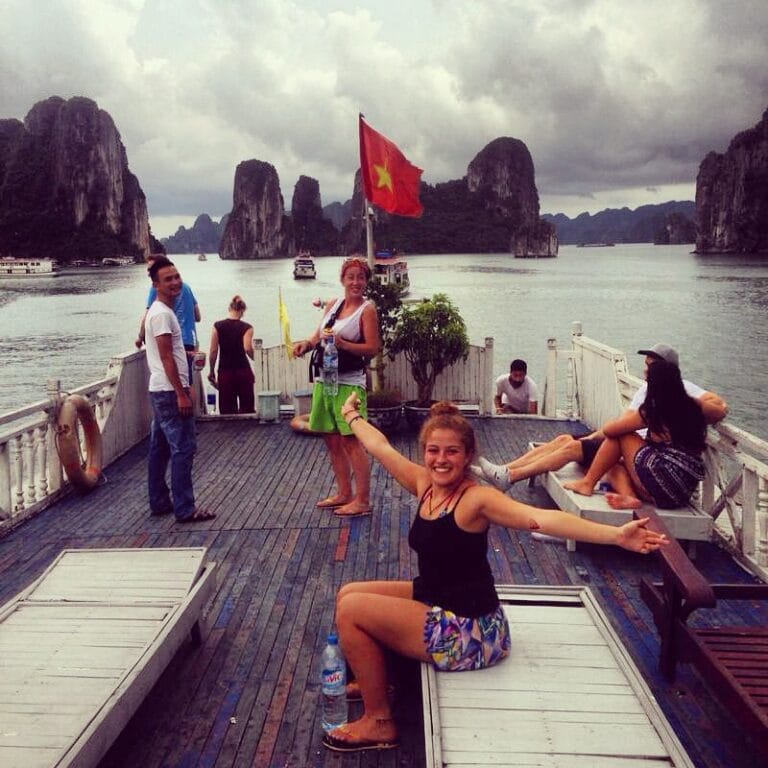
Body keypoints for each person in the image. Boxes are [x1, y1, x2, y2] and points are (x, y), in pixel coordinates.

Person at [321, 394, 668, 753]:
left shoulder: (476, 499)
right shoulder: (425, 485)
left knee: (353, 611)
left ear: (468, 456)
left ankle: (379, 722)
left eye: (452, 452)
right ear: (425, 453)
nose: (441, 460)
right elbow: (380, 448)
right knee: (350, 592)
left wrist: (615, 535)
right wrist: (351, 415)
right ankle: (376, 676)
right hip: (437, 599)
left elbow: (541, 518)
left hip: (472, 632)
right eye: (434, 451)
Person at [476, 343, 728, 491]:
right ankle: (506, 469)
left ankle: (509, 477)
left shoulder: (678, 391)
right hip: (641, 455)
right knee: (565, 439)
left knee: (572, 447)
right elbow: (623, 423)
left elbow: (719, 406)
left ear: (667, 371)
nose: (645, 369)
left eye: (651, 366)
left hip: (639, 455)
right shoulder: (647, 389)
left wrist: (675, 400)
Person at [292, 257, 381, 517]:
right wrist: (306, 345)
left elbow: (372, 348)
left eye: (361, 277)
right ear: (343, 279)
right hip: (326, 379)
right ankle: (344, 493)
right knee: (331, 440)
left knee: (352, 442)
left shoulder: (367, 310)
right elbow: (318, 334)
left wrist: (344, 344)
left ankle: (362, 500)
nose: (356, 282)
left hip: (349, 383)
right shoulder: (332, 305)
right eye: (351, 277)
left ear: (366, 281)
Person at [564, 360, 707, 510]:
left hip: (665, 477)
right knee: (613, 466)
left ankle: (587, 484)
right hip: (680, 493)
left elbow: (609, 431)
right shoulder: (694, 406)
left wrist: (625, 419)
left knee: (622, 435)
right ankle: (629, 498)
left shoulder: (655, 409)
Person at [144, 256, 215, 523]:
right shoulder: (162, 314)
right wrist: (182, 392)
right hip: (169, 391)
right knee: (183, 448)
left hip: (160, 389)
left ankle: (160, 501)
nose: (175, 282)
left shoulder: (159, 311)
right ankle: (185, 508)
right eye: (167, 279)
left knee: (159, 448)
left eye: (176, 277)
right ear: (155, 284)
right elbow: (166, 358)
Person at [136, 255, 201, 382]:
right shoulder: (185, 287)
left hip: (173, 341)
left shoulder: (157, 288)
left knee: (178, 382)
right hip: (190, 341)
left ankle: (183, 399)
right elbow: (198, 316)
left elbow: (148, 315)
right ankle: (188, 401)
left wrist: (140, 337)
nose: (150, 272)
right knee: (187, 381)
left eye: (151, 268)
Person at [208, 295, 255, 414]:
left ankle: (228, 432)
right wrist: (257, 360)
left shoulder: (217, 326)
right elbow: (247, 348)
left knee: (227, 410)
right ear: (242, 311)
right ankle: (249, 432)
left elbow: (213, 351)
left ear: (229, 309)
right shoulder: (247, 327)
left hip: (225, 371)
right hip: (243, 370)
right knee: (247, 408)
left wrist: (212, 370)